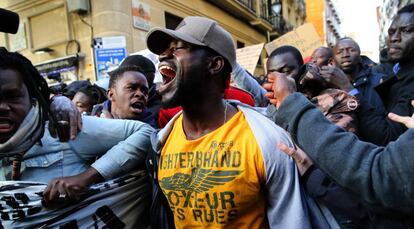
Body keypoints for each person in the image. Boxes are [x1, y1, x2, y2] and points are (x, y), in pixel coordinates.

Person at [145, 16, 318, 228]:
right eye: (164, 51)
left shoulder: (268, 142)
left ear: (214, 64)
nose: (163, 57)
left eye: (177, 49)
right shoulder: (162, 141)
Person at [0, 48, 153, 227]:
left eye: (12, 97)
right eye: (132, 88)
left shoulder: (64, 128)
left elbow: (146, 133)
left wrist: (85, 178)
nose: (2, 107)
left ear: (31, 97)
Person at [325, 5, 414, 146]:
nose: (394, 38)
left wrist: (348, 89)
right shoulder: (395, 74)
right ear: (332, 60)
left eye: (406, 30)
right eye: (391, 32)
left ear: (360, 56)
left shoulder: (381, 79)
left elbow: (387, 137)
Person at [321, 37, 385, 110]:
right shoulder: (326, 87)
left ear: (360, 57)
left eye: (351, 50)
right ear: (332, 62)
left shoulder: (380, 81)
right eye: (339, 52)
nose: (345, 55)